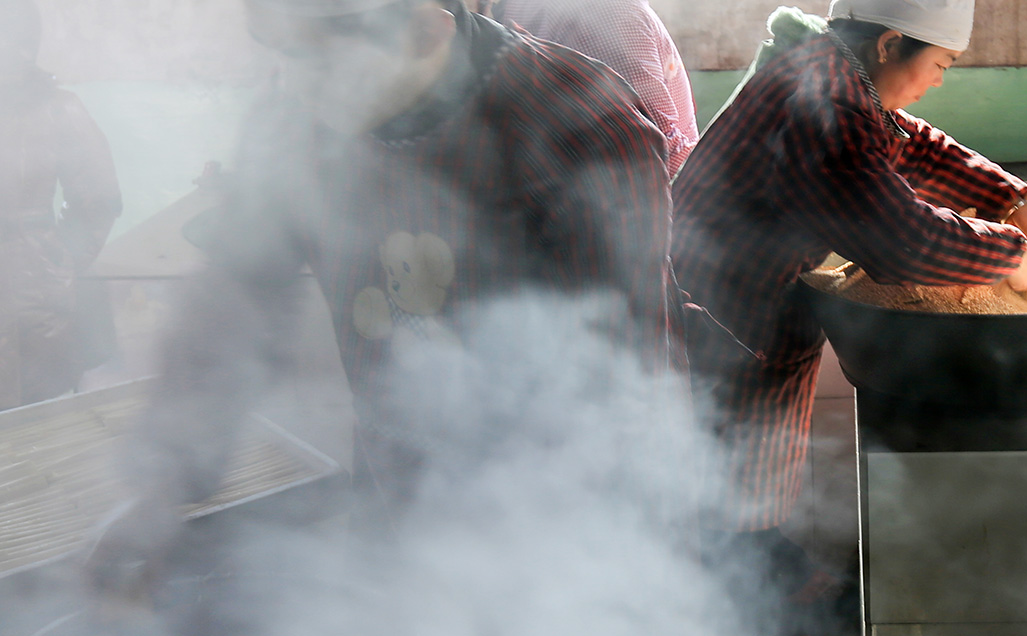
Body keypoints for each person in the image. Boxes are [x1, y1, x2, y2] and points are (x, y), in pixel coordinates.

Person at [86, 0, 678, 596]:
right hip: (392, 504)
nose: (296, 84)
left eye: (320, 58)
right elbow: (234, 311)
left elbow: (611, 392)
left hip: (555, 534)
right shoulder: (294, 120)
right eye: (281, 53)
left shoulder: (581, 126)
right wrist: (163, 487)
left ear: (426, 29)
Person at [670, 1, 1027, 636]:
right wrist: (1010, 255)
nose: (939, 80)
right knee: (721, 475)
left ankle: (758, 570)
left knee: (740, 475)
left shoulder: (833, 75)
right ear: (890, 44)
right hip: (722, 311)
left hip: (744, 300)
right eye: (939, 63)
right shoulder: (821, 103)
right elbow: (902, 239)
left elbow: (908, 142)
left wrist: (1008, 198)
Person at [0, 0, 122, 410]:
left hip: (34, 289)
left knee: (35, 409)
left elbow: (99, 201)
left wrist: (60, 259)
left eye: (14, 41)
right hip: (37, 281)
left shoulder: (59, 108)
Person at [492, 0, 698, 176]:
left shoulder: (520, 5)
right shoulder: (613, 11)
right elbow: (656, 149)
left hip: (555, 188)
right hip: (638, 207)